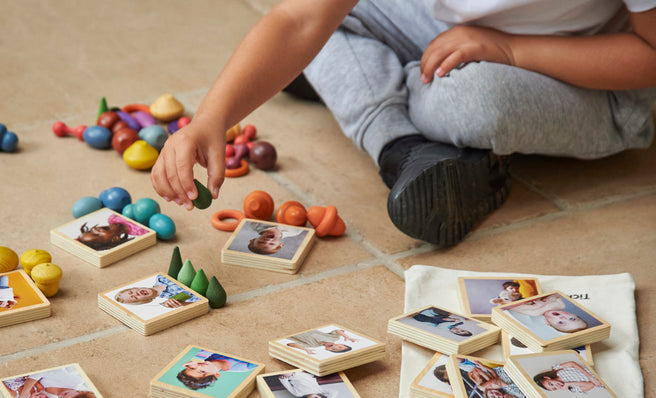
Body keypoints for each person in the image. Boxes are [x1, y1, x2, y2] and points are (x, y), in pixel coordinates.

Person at [150, 0, 656, 247]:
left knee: (470, 99)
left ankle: (373, 82)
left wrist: (510, 51)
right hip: (451, 33)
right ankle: (404, 147)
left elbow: (650, 54)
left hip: (594, 80)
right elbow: (300, 19)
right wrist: (210, 119)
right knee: (320, 25)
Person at [176, 350, 259, 390]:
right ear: (216, 374)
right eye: (202, 371)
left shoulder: (205, 356)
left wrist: (197, 359)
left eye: (192, 367)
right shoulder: (244, 367)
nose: (199, 366)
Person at [507, 294, 588, 333]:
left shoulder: (535, 312)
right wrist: (553, 296)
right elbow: (558, 293)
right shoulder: (560, 304)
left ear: (547, 322)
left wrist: (531, 307)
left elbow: (511, 306)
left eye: (561, 323)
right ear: (573, 314)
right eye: (571, 319)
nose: (563, 318)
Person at [114, 274, 200, 308]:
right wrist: (183, 304)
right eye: (135, 298)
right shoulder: (171, 299)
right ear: (144, 301)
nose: (135, 294)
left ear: (134, 287)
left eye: (131, 292)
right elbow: (200, 300)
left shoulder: (160, 277)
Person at [75, 213, 149, 251]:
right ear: (115, 239)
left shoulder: (112, 218)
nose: (95, 230)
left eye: (91, 231)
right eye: (97, 235)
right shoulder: (140, 231)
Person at [533, 360, 604, 394]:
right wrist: (569, 384)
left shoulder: (557, 370)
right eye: (554, 388)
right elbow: (591, 385)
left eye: (551, 384)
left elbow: (572, 363)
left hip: (597, 368)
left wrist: (590, 377)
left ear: (547, 378)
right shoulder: (572, 388)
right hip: (603, 381)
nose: (556, 386)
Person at [285, 328, 356, 356]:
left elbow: (290, 344)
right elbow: (338, 330)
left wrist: (305, 349)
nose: (335, 347)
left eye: (334, 349)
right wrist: (347, 336)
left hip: (288, 331)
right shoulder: (334, 338)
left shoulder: (313, 345)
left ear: (327, 349)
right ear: (341, 343)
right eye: (339, 346)